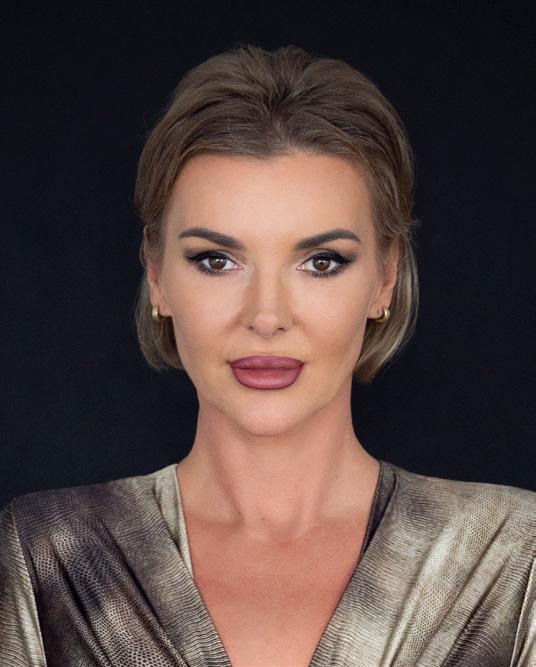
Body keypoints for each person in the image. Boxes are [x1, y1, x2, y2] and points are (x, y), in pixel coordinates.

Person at [1, 44, 534, 667]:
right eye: (216, 260)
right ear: (157, 275)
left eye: (321, 262)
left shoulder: (515, 557)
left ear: (385, 278)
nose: (266, 316)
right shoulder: (46, 556)